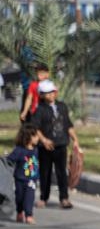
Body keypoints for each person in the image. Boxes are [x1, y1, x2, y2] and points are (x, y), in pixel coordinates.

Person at [29, 79, 80, 209]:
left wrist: (75, 140)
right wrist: (44, 140)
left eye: (52, 92)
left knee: (61, 172)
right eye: (47, 93)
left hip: (61, 144)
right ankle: (43, 198)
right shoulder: (39, 109)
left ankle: (64, 198)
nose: (50, 95)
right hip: (45, 147)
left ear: (56, 92)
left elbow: (68, 125)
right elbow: (35, 127)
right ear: (41, 95)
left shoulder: (62, 106)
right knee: (45, 173)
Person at [7, 123, 44, 224]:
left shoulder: (36, 150)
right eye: (35, 136)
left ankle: (29, 215)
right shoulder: (19, 150)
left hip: (31, 179)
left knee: (29, 197)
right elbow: (9, 159)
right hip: (20, 179)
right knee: (19, 197)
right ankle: (19, 212)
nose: (37, 138)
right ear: (28, 136)